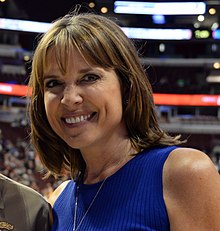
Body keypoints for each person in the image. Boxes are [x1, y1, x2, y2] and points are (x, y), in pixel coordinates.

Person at [28, 10, 220, 231]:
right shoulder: (58, 200)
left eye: (89, 78)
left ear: (126, 86)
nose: (70, 99)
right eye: (53, 83)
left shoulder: (185, 174)